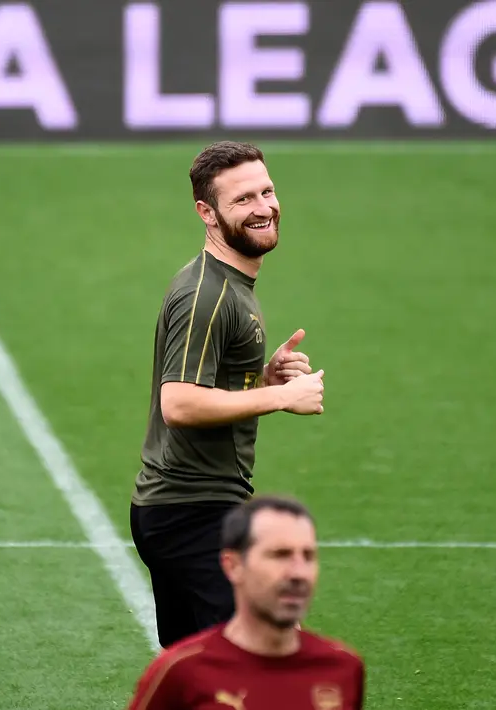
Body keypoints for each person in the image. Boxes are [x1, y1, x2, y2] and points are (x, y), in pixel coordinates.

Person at [130, 140, 326, 649]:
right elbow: (180, 403)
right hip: (192, 512)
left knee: (197, 675)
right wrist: (281, 399)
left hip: (188, 508)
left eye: (267, 191)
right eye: (242, 200)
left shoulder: (231, 285)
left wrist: (262, 380)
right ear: (207, 213)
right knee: (263, 656)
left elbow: (204, 390)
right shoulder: (207, 294)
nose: (263, 207)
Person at [126, 495, 365, 709]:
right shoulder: (181, 671)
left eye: (308, 556)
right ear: (234, 565)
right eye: (279, 555)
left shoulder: (343, 668)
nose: (298, 573)